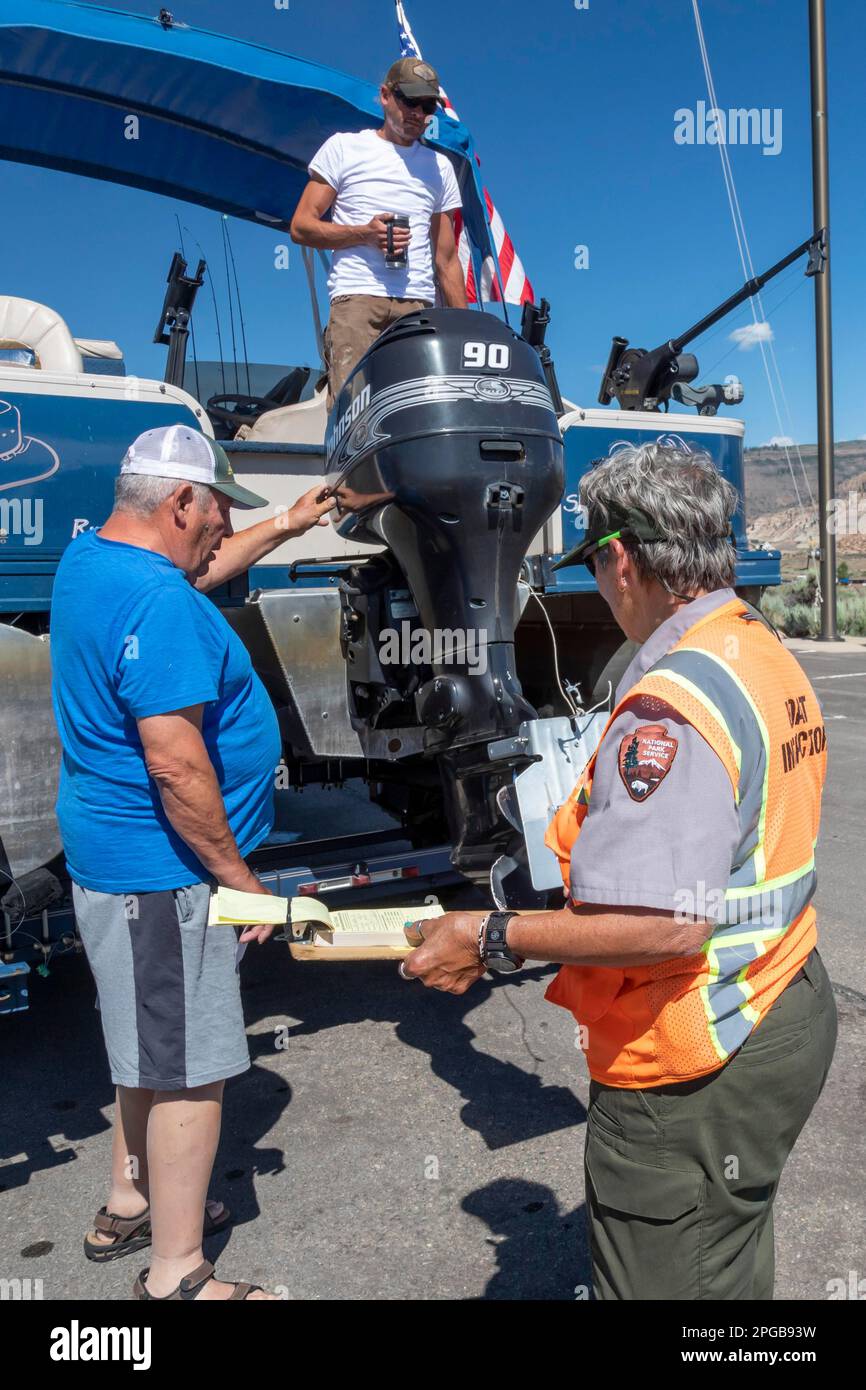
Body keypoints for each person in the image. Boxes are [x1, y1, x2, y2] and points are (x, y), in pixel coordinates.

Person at [401, 441, 837, 1301]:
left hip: (700, 1044)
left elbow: (666, 922)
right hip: (780, 999)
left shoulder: (670, 704)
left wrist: (490, 937)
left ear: (622, 559)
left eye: (595, 567)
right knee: (726, 1254)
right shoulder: (757, 647)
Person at [50, 423, 334, 1301]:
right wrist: (241, 884)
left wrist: (287, 522)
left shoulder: (94, 562)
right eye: (215, 513)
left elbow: (196, 572)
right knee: (185, 1067)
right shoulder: (157, 603)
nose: (220, 531)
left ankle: (131, 1198)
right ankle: (177, 1275)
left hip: (115, 859)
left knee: (146, 1041)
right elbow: (176, 765)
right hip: (166, 873)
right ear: (179, 503)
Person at [290, 56, 467, 410]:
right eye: (410, 101)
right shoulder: (344, 147)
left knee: (418, 413)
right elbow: (301, 226)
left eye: (427, 105)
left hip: (418, 305)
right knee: (352, 415)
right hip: (357, 300)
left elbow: (446, 260)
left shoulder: (440, 167)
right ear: (385, 95)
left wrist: (463, 332)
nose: (418, 113)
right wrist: (365, 234)